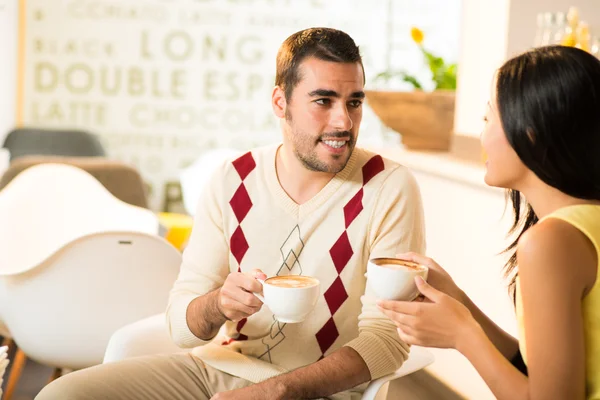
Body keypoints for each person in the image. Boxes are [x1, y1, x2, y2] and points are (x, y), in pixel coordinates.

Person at [37, 27, 426, 400]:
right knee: (62, 394)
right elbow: (180, 323)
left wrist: (276, 391)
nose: (343, 121)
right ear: (280, 102)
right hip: (213, 368)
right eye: (323, 101)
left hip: (317, 389)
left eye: (354, 102)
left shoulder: (387, 187)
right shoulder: (233, 179)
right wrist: (218, 304)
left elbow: (386, 341)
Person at [378, 45, 600, 400]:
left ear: (529, 131)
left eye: (487, 119)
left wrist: (462, 335)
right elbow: (546, 371)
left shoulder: (551, 241)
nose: (481, 137)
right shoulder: (585, 224)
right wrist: (462, 307)